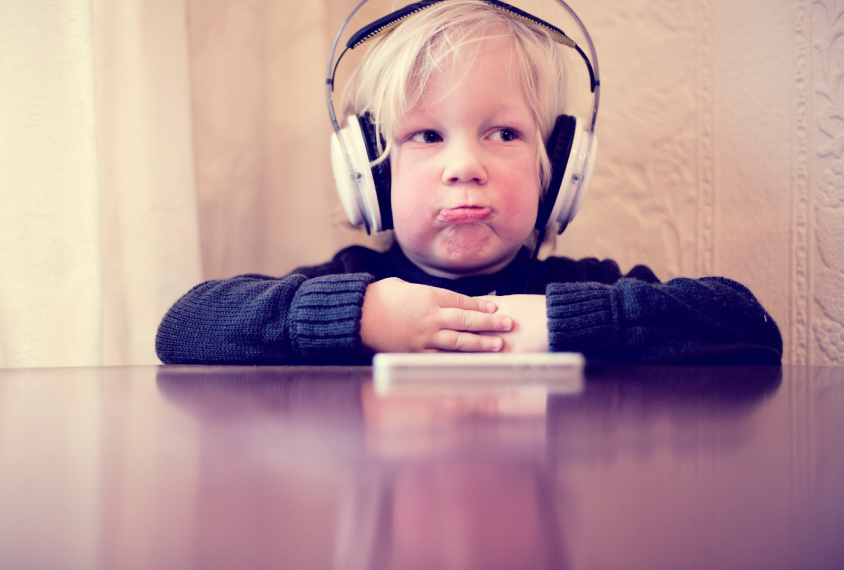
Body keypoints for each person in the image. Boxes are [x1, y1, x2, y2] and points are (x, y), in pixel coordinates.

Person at [156, 0, 782, 365]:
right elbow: (183, 327)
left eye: (503, 134)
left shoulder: (576, 289)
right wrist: (365, 315)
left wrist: (562, 324)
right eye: (427, 136)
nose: (465, 166)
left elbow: (749, 327)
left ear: (557, 173)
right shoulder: (350, 286)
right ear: (372, 177)